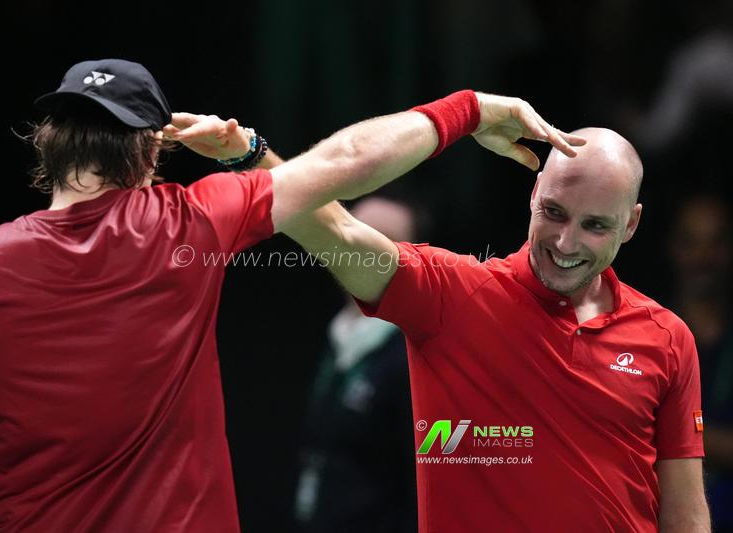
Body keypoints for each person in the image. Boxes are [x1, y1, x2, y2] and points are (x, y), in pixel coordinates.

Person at [0, 60, 576, 531]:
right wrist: (473, 108)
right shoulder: (189, 222)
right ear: (151, 147)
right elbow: (351, 158)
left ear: (49, 139)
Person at [170, 96, 711, 530]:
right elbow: (334, 228)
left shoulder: (667, 338)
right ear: (533, 195)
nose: (567, 242)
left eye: (596, 225)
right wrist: (249, 153)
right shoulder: (451, 295)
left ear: (632, 224)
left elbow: (685, 514)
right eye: (554, 212)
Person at [294, 197, 418, 533]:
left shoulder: (413, 357)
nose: (361, 250)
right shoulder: (335, 335)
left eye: (381, 239)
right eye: (354, 234)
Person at [668, 194, 733, 529]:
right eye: (690, 242)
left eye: (716, 242)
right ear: (671, 248)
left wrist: (670, 434)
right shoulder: (646, 335)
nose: (702, 258)